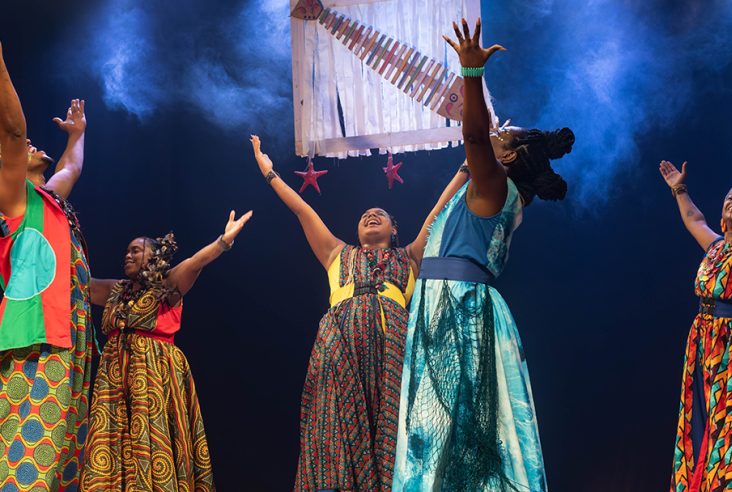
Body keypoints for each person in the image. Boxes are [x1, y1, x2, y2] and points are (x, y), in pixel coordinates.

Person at [393, 18, 575, 491]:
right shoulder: (484, 189)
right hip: (443, 301)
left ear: (510, 159)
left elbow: (474, 138)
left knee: (463, 432)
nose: (498, 131)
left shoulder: (494, 187)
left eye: (506, 135)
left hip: (460, 307)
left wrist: (471, 76)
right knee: (443, 435)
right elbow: (436, 219)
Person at [250, 135, 467, 491]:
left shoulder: (410, 257)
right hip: (339, 346)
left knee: (395, 426)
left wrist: (466, 169)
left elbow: (439, 212)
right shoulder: (336, 253)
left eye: (379, 215)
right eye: (365, 215)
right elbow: (303, 210)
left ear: (394, 230)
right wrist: (269, 172)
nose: (370, 215)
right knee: (330, 425)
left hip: (393, 350)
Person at [79, 211, 251, 491]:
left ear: (153, 256)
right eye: (127, 251)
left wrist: (223, 241)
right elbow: (80, 284)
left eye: (136, 250)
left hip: (153, 377)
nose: (129, 255)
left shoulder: (167, 285)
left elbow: (196, 263)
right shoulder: (116, 290)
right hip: (113, 381)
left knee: (152, 440)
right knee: (109, 444)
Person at [0, 42, 93, 490]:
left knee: (56, 465)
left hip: (65, 338)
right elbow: (15, 132)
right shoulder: (14, 198)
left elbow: (71, 167)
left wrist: (77, 135)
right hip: (32, 339)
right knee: (27, 465)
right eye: (27, 147)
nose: (35, 145)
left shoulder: (48, 199)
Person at [660, 160, 732, 491]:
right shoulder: (716, 247)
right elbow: (694, 219)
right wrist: (679, 188)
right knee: (701, 425)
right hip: (704, 346)